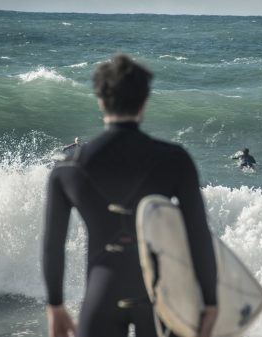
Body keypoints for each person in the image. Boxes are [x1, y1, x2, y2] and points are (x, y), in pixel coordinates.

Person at [43, 54, 218, 337]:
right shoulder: (176, 160)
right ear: (144, 101)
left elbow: (53, 245)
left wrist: (55, 306)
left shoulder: (67, 169)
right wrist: (211, 302)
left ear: (100, 99)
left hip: (101, 297)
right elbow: (198, 234)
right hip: (161, 299)